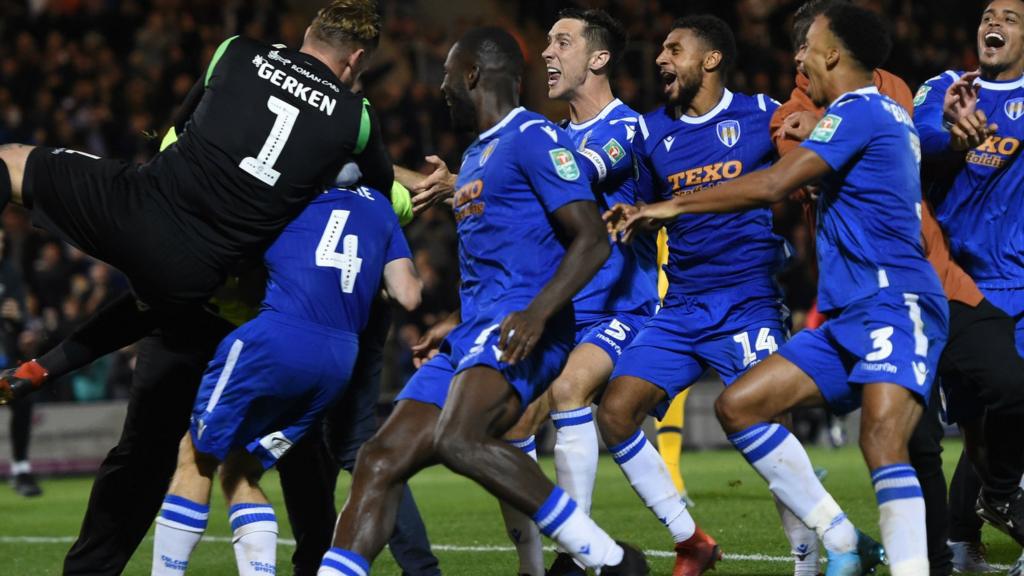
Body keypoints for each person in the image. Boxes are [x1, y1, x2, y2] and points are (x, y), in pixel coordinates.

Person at [608, 5, 948, 575]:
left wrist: (668, 204)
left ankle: (871, 561)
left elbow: (772, 183)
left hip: (894, 302)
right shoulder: (851, 116)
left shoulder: (865, 109)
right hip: (842, 318)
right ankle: (841, 538)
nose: (796, 59)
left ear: (833, 54)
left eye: (806, 47)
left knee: (881, 442)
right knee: (740, 406)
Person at [317, 26, 648, 576]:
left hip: (524, 327)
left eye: (447, 75)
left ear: (472, 75)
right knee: (378, 458)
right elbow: (495, 261)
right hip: (475, 332)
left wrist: (539, 313)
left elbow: (590, 238)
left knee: (460, 437)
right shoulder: (475, 155)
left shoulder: (533, 137)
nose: (441, 87)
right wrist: (454, 323)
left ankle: (611, 562)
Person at [0, 0, 391, 404]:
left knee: (8, 161)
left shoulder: (238, 50)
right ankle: (42, 368)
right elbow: (378, 192)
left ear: (309, 31)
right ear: (357, 59)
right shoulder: (355, 118)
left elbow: (177, 129)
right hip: (199, 272)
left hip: (138, 208)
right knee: (151, 302)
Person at [596, 15, 796, 576]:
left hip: (747, 299)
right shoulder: (653, 133)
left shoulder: (763, 116)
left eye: (673, 48)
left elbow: (809, 169)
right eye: (660, 48)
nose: (661, 58)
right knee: (615, 412)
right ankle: (692, 541)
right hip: (681, 306)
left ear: (710, 60)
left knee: (767, 430)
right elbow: (637, 211)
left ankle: (812, 559)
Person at [150, 183, 420, 575]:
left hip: (278, 337)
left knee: (196, 456)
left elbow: (231, 263)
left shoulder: (289, 192)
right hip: (338, 359)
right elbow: (408, 294)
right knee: (242, 468)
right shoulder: (381, 206)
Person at [474, 9, 656, 575]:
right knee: (510, 425)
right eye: (547, 42)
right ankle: (534, 567)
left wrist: (489, 176)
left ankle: (575, 557)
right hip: (560, 310)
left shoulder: (627, 127)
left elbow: (571, 173)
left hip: (618, 308)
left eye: (562, 41)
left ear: (598, 58)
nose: (547, 53)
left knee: (572, 391)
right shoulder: (546, 136)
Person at [913, 0, 1024, 553]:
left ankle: (972, 527)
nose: (994, 23)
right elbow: (923, 142)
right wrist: (956, 137)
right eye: (987, 15)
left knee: (1014, 406)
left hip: (1019, 280)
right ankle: (962, 533)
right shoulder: (945, 87)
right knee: (979, 429)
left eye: (1010, 17)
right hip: (960, 286)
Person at [0, 227, 39, 497]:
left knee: (23, 403)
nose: (1, 245)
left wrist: (19, 317)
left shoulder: (9, 272)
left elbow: (23, 315)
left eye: (3, 240)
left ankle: (21, 468)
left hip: (5, 360)